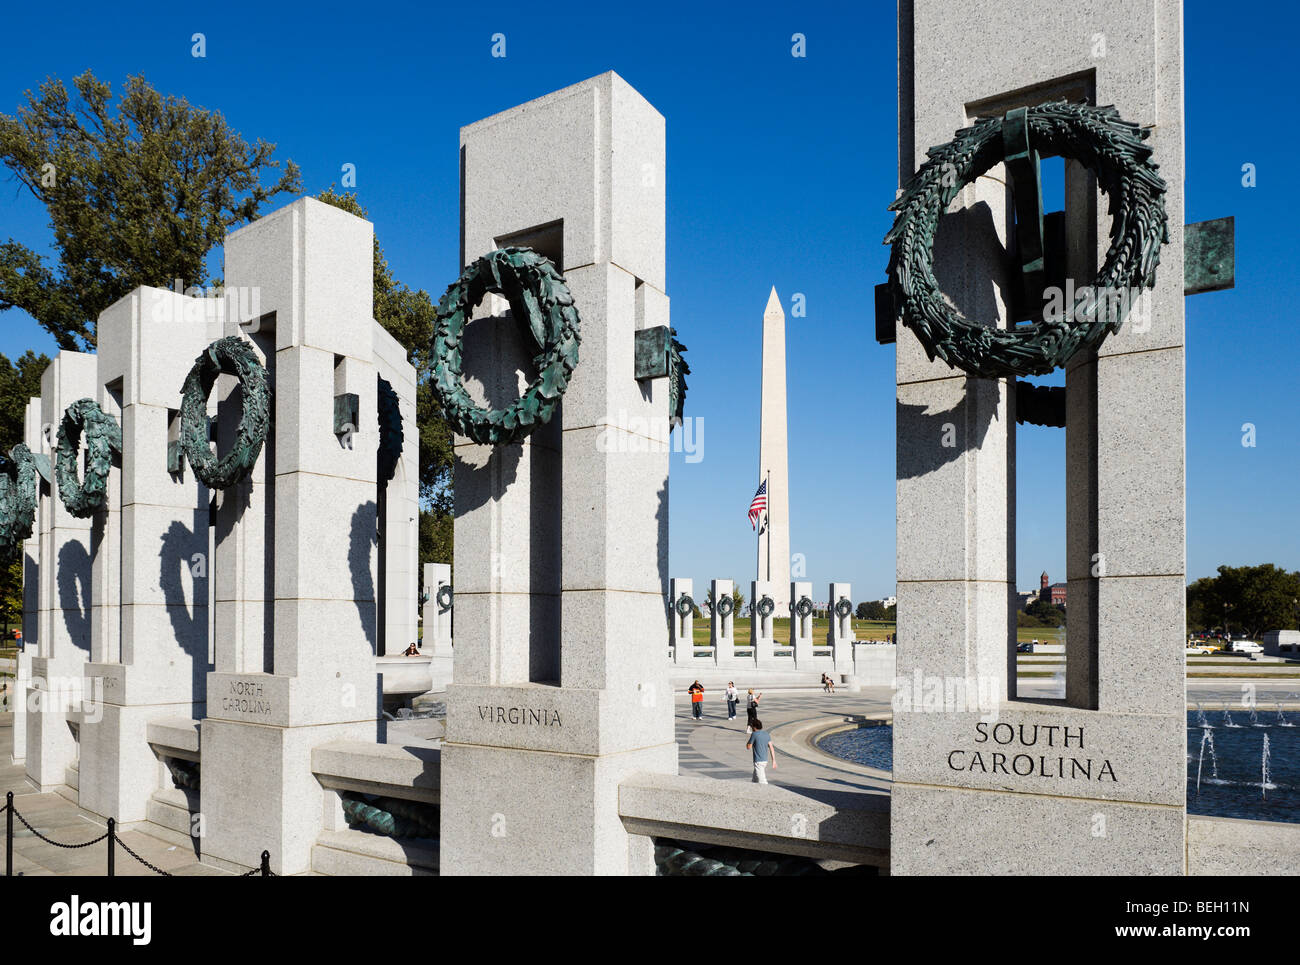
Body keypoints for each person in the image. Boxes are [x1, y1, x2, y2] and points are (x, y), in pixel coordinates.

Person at [746, 719, 777, 784]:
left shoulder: (754, 734)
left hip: (758, 761)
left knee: (763, 782)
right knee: (755, 780)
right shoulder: (766, 734)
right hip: (765, 761)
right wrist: (774, 760)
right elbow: (771, 747)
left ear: (754, 727)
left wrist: (749, 741)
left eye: (752, 727)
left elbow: (748, 747)